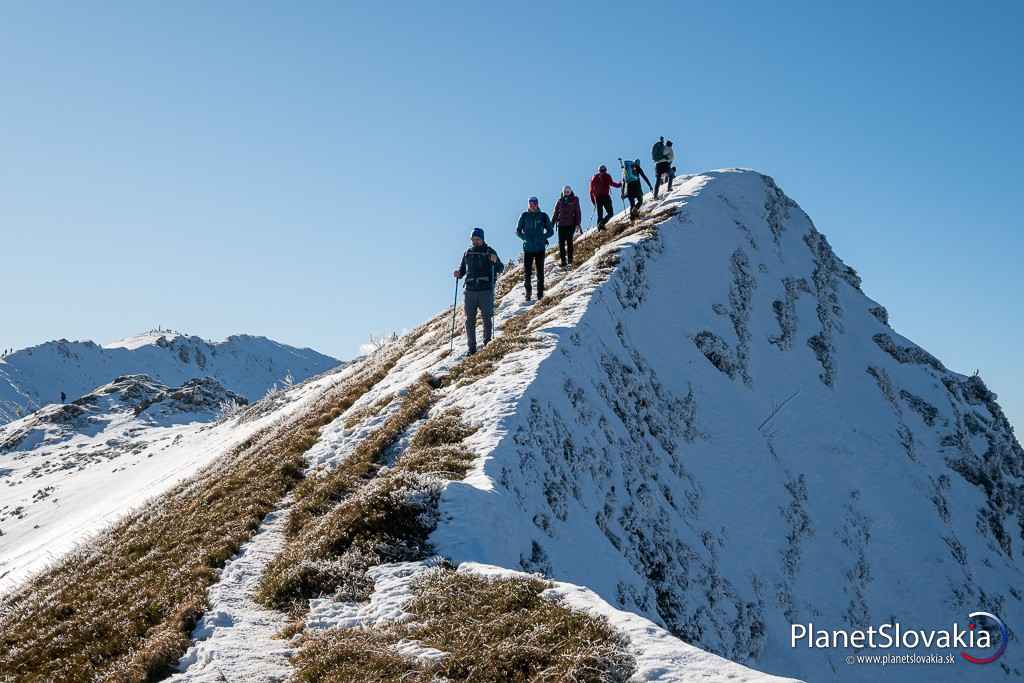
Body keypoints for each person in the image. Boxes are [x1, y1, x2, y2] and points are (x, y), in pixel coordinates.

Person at [453, 228, 504, 355]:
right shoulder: (467, 253)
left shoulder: (489, 251)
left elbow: (500, 268)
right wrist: (459, 274)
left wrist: (495, 260)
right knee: (469, 320)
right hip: (470, 291)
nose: (475, 241)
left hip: (485, 290)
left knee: (486, 318)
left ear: (482, 239)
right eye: (473, 239)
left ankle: (487, 344)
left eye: (477, 239)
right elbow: (463, 271)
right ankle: (472, 349)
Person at [516, 196, 553, 301]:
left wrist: (542, 237)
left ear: (537, 204)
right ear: (528, 205)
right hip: (528, 249)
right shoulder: (524, 216)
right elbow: (518, 231)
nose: (532, 206)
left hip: (540, 249)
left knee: (540, 273)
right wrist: (525, 238)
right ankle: (528, 293)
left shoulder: (543, 216)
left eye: (534, 204)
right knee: (527, 273)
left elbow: (551, 231)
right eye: (530, 204)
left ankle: (540, 294)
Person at [551, 185, 581, 269]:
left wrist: (578, 223)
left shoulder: (575, 200)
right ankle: (563, 261)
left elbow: (577, 211)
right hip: (561, 225)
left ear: (570, 191)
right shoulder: (560, 201)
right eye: (565, 192)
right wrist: (551, 225)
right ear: (563, 192)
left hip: (571, 224)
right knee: (561, 244)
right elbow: (555, 213)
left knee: (569, 241)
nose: (566, 193)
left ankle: (570, 260)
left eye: (568, 192)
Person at [589, 165, 621, 230]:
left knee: (600, 214)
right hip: (605, 197)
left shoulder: (594, 177)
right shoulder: (607, 176)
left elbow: (591, 191)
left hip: (598, 198)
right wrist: (619, 185)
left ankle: (600, 226)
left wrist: (593, 202)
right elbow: (612, 183)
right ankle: (601, 224)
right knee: (610, 213)